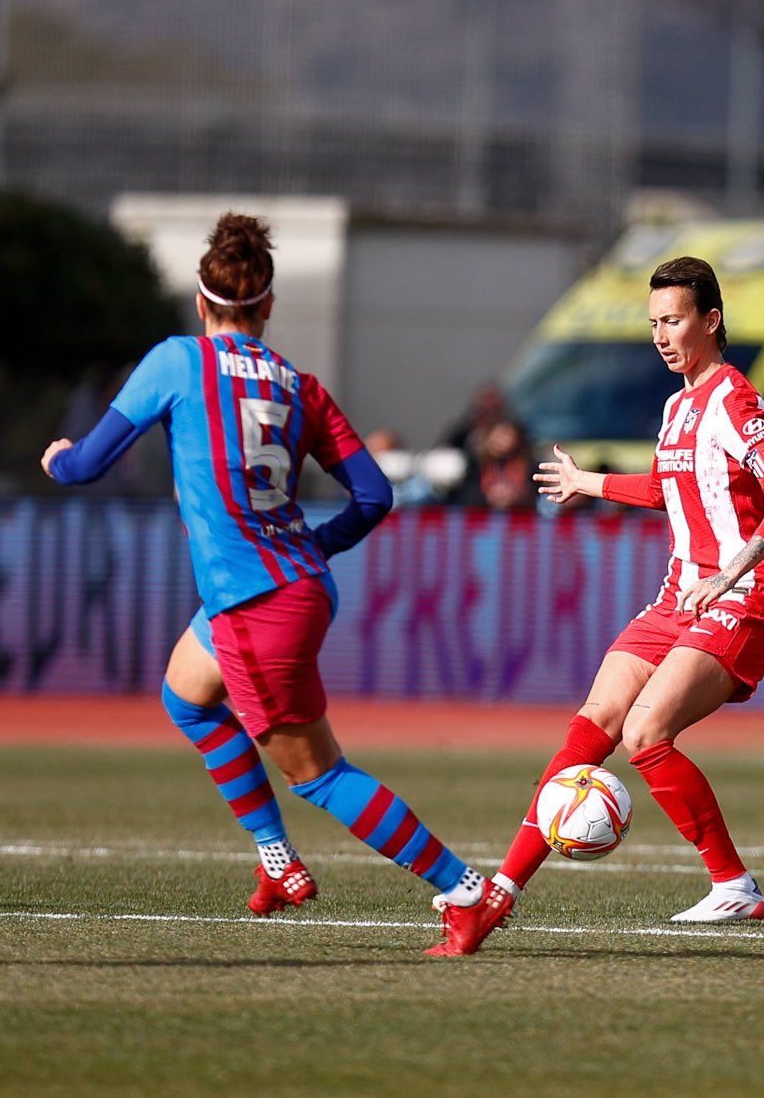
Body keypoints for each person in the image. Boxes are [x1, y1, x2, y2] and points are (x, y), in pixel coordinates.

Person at [41, 212, 493, 955]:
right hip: (290, 586)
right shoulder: (299, 384)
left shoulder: (177, 361)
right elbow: (374, 497)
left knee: (318, 775)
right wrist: (311, 546)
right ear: (270, 307)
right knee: (185, 695)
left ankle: (463, 890)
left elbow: (86, 465)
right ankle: (279, 865)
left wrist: (57, 458)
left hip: (256, 604)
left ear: (200, 301)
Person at [427, 255, 764, 955]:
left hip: (742, 595)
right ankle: (500, 894)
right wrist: (588, 481)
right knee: (593, 723)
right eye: (655, 323)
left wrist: (732, 571)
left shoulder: (734, 398)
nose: (662, 335)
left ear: (711, 320)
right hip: (678, 595)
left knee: (644, 733)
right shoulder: (676, 404)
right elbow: (672, 487)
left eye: (674, 320)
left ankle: (734, 886)